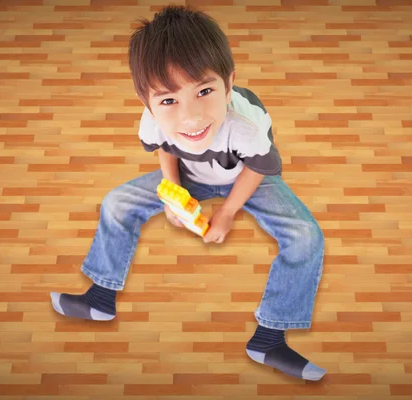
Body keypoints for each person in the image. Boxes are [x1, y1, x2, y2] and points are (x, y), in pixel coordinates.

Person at [50, 4, 326, 381]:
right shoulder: (153, 123)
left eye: (205, 91)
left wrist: (228, 212)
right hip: (191, 174)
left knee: (306, 236)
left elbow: (260, 167)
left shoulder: (248, 125)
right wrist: (173, 191)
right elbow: (166, 149)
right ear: (147, 103)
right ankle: (100, 298)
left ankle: (269, 338)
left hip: (245, 175)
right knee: (118, 202)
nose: (190, 118)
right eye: (168, 100)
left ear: (229, 83)